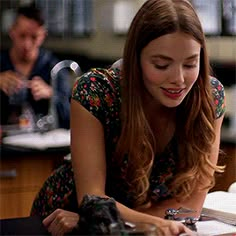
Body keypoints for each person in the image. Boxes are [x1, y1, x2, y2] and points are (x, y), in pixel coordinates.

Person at [30, 0, 226, 235]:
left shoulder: (210, 97)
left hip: (117, 225)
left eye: (190, 64)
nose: (179, 79)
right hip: (65, 220)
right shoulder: (97, 92)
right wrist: (98, 217)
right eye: (161, 65)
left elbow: (189, 208)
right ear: (136, 59)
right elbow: (92, 198)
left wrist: (117, 220)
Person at [0, 3, 71, 129]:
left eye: (34, 37)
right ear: (12, 32)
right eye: (22, 35)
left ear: (43, 35)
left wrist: (51, 94)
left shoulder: (55, 69)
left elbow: (70, 115)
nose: (27, 44)